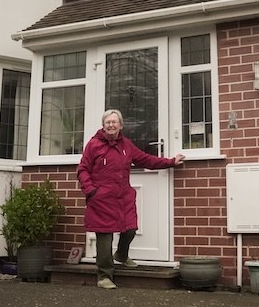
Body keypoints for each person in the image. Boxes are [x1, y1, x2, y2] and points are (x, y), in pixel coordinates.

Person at [77, 109, 185, 289]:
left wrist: (171, 162)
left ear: (120, 125)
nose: (111, 125)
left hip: (123, 197)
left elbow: (147, 160)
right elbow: (82, 169)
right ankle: (104, 276)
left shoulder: (127, 145)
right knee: (104, 238)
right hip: (101, 199)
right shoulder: (93, 145)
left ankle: (121, 255)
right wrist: (90, 191)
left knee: (130, 229)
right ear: (103, 126)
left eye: (114, 122)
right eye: (107, 122)